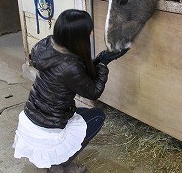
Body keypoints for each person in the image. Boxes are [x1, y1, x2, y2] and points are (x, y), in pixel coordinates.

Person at [13, 9, 128, 173]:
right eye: (88, 31)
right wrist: (103, 64)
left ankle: (55, 161)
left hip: (32, 116)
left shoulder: (47, 44)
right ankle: (59, 165)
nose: (92, 33)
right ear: (78, 36)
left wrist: (99, 59)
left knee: (80, 115)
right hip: (47, 126)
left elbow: (78, 76)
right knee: (97, 117)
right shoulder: (69, 66)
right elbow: (93, 92)